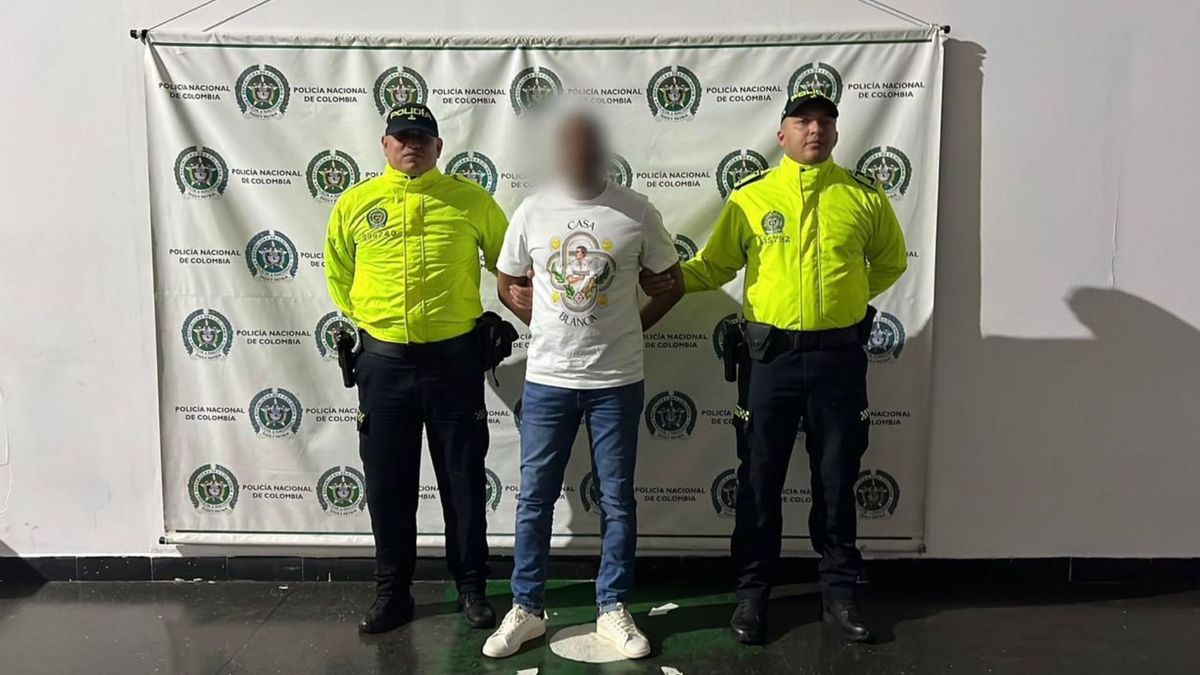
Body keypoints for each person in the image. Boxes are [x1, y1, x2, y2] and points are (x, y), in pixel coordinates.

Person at [643, 90, 907, 644]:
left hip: (838, 360)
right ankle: (752, 595)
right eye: (803, 121)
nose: (815, 130)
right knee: (759, 481)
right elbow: (715, 266)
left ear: (836, 134)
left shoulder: (863, 197)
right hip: (770, 362)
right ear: (782, 134)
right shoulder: (750, 198)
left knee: (836, 479)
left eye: (825, 121)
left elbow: (889, 262)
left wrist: (845, 301)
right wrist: (666, 280)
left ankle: (840, 593)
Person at [481, 112, 683, 659]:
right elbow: (506, 279)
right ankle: (526, 609)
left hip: (617, 380)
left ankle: (612, 606)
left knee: (617, 499)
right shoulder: (532, 210)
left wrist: (633, 326)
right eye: (569, 144)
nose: (579, 154)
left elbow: (673, 283)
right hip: (548, 379)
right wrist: (534, 317)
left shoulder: (636, 211)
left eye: (589, 144)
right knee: (535, 498)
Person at [324, 103, 508, 634]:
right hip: (383, 369)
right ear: (385, 145)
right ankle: (392, 593)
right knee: (388, 485)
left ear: (439, 147)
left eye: (423, 138)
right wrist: (377, 327)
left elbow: (509, 263)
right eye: (402, 137)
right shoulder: (356, 203)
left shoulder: (471, 200)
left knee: (463, 482)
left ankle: (472, 587)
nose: (413, 145)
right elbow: (339, 274)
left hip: (454, 365)